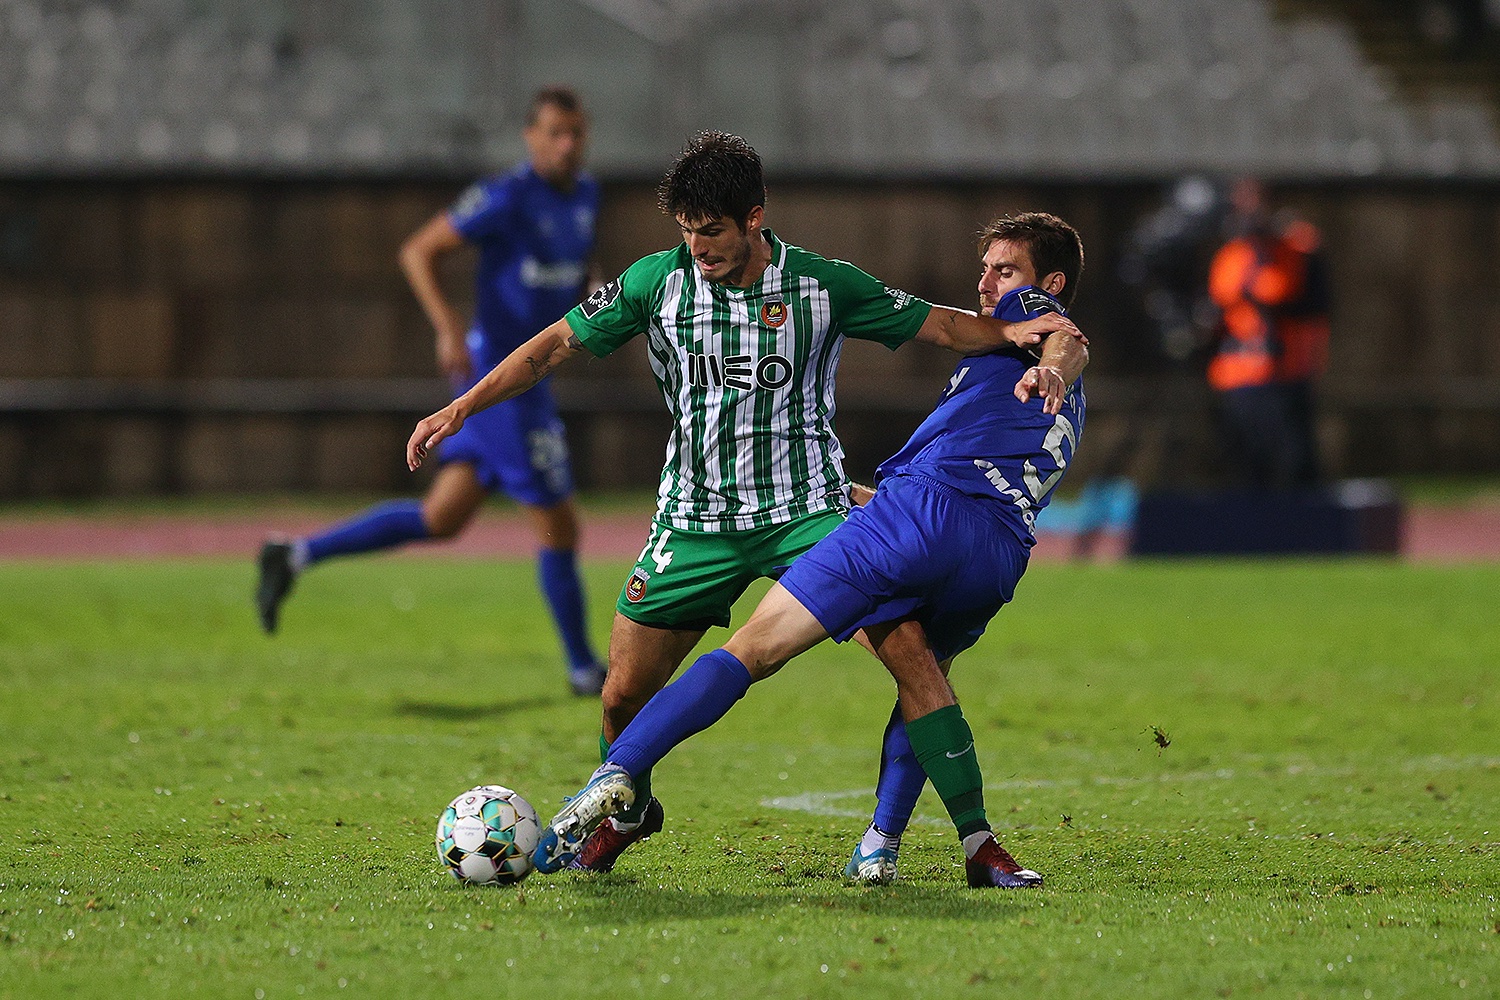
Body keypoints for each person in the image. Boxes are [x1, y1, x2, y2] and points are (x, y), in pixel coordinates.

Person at [406, 133, 1084, 875]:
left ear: (754, 219)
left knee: (913, 656)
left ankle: (965, 842)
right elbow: (551, 347)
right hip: (694, 520)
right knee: (622, 696)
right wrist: (462, 406)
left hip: (806, 512)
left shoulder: (822, 286)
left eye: (712, 231)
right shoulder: (653, 283)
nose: (697, 247)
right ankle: (628, 811)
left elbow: (943, 325)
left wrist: (1013, 332)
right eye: (686, 231)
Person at [256, 87, 607, 696]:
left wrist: (592, 290)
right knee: (560, 525)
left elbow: (573, 266)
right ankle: (583, 671)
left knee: (441, 518)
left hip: (532, 378)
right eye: (554, 133)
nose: (566, 145)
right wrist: (447, 326)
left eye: (575, 133)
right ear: (530, 137)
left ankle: (293, 555)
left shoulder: (585, 196)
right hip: (499, 382)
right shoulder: (505, 196)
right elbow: (418, 251)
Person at [1207, 177, 1330, 489]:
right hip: (1238, 378)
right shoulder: (1230, 256)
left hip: (1285, 374)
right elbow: (1218, 312)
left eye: (1256, 201)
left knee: (1294, 466)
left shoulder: (1296, 250)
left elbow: (1310, 304)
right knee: (1246, 468)